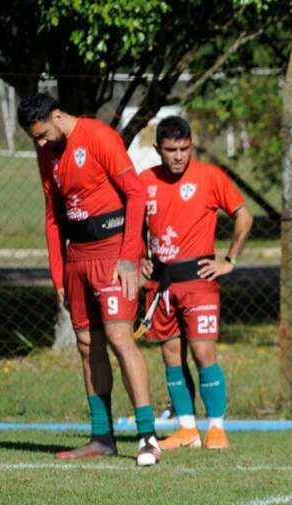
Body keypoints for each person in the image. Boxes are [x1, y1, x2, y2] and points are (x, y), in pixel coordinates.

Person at [19, 94, 162, 467]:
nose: (40, 143)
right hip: (77, 258)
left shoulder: (99, 137)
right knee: (86, 344)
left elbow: (135, 194)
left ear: (58, 115)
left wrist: (130, 256)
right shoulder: (46, 152)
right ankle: (102, 437)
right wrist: (59, 275)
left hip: (113, 252)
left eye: (43, 133)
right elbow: (54, 216)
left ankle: (148, 437)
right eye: (34, 138)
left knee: (118, 337)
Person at [139, 116, 253, 450]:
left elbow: (244, 216)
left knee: (203, 352)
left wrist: (229, 260)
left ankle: (216, 428)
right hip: (160, 284)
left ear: (192, 146)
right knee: (171, 355)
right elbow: (133, 225)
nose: (178, 156)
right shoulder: (145, 181)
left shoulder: (210, 177)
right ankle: (187, 429)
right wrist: (138, 257)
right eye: (171, 150)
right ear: (158, 149)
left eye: (184, 149)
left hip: (199, 280)